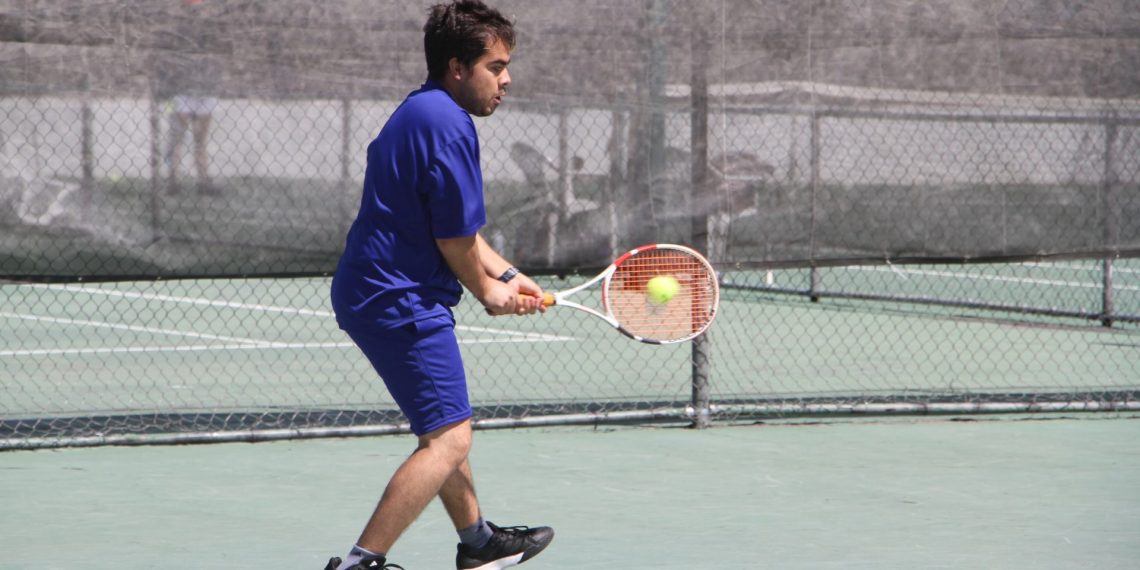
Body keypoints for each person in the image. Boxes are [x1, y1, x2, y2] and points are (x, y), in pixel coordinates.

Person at [325, 2, 553, 569]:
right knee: (450, 440)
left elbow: (458, 231)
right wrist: (487, 292)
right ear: (458, 66)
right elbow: (454, 242)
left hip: (376, 290)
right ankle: (360, 563)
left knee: (442, 423)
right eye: (495, 67)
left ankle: (478, 544)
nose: (507, 80)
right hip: (398, 298)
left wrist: (505, 274)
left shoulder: (422, 110)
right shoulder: (450, 124)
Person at [162, 0, 220, 196]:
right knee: (177, 138)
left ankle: (202, 180)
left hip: (203, 89)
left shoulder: (211, 28)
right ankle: (172, 180)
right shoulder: (178, 29)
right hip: (183, 90)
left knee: (199, 140)